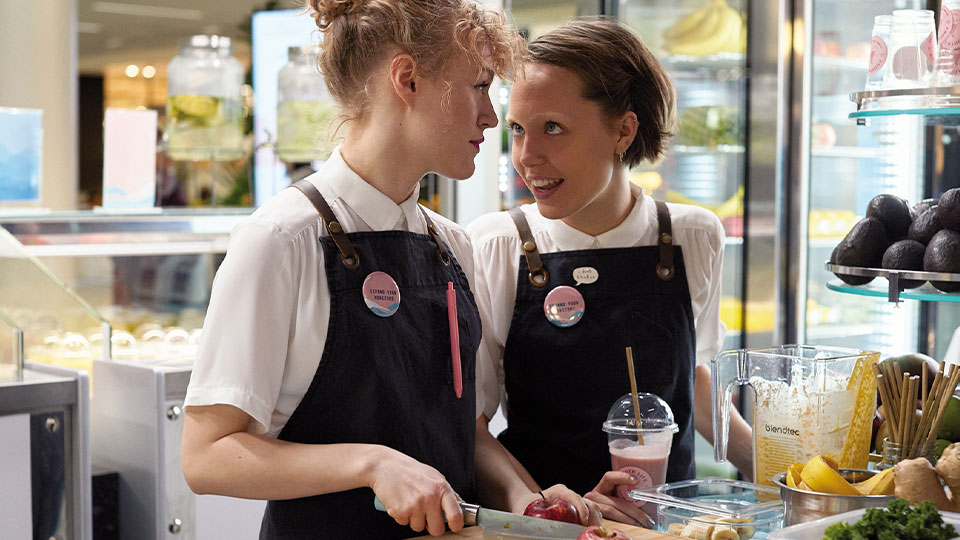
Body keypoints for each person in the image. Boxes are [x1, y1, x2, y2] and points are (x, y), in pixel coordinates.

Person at [178, 2, 595, 539]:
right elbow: (206, 456)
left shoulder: (451, 245)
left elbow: (459, 431)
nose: (491, 116)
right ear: (407, 80)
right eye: (478, 86)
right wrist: (372, 464)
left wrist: (527, 501)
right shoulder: (283, 240)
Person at [467, 19, 754, 527]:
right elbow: (470, 426)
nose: (526, 158)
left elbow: (695, 381)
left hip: (665, 530)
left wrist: (790, 477)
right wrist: (543, 509)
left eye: (553, 127)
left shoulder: (692, 235)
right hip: (545, 530)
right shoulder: (498, 243)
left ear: (623, 129)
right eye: (517, 129)